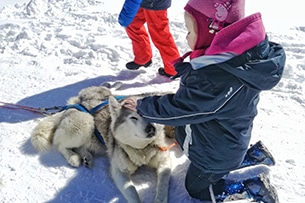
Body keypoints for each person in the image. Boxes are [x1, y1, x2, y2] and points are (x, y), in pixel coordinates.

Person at [124, 0, 286, 202]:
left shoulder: (215, 78)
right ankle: (254, 155)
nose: (186, 37)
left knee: (196, 188)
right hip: (228, 134)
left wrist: (142, 107)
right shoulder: (235, 59)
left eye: (189, 31)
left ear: (211, 32)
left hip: (216, 154)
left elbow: (181, 108)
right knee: (182, 134)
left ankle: (253, 188)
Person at [118, 0, 180, 78]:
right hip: (141, 2)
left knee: (160, 35)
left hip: (155, 3)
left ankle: (173, 69)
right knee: (132, 23)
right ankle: (143, 58)